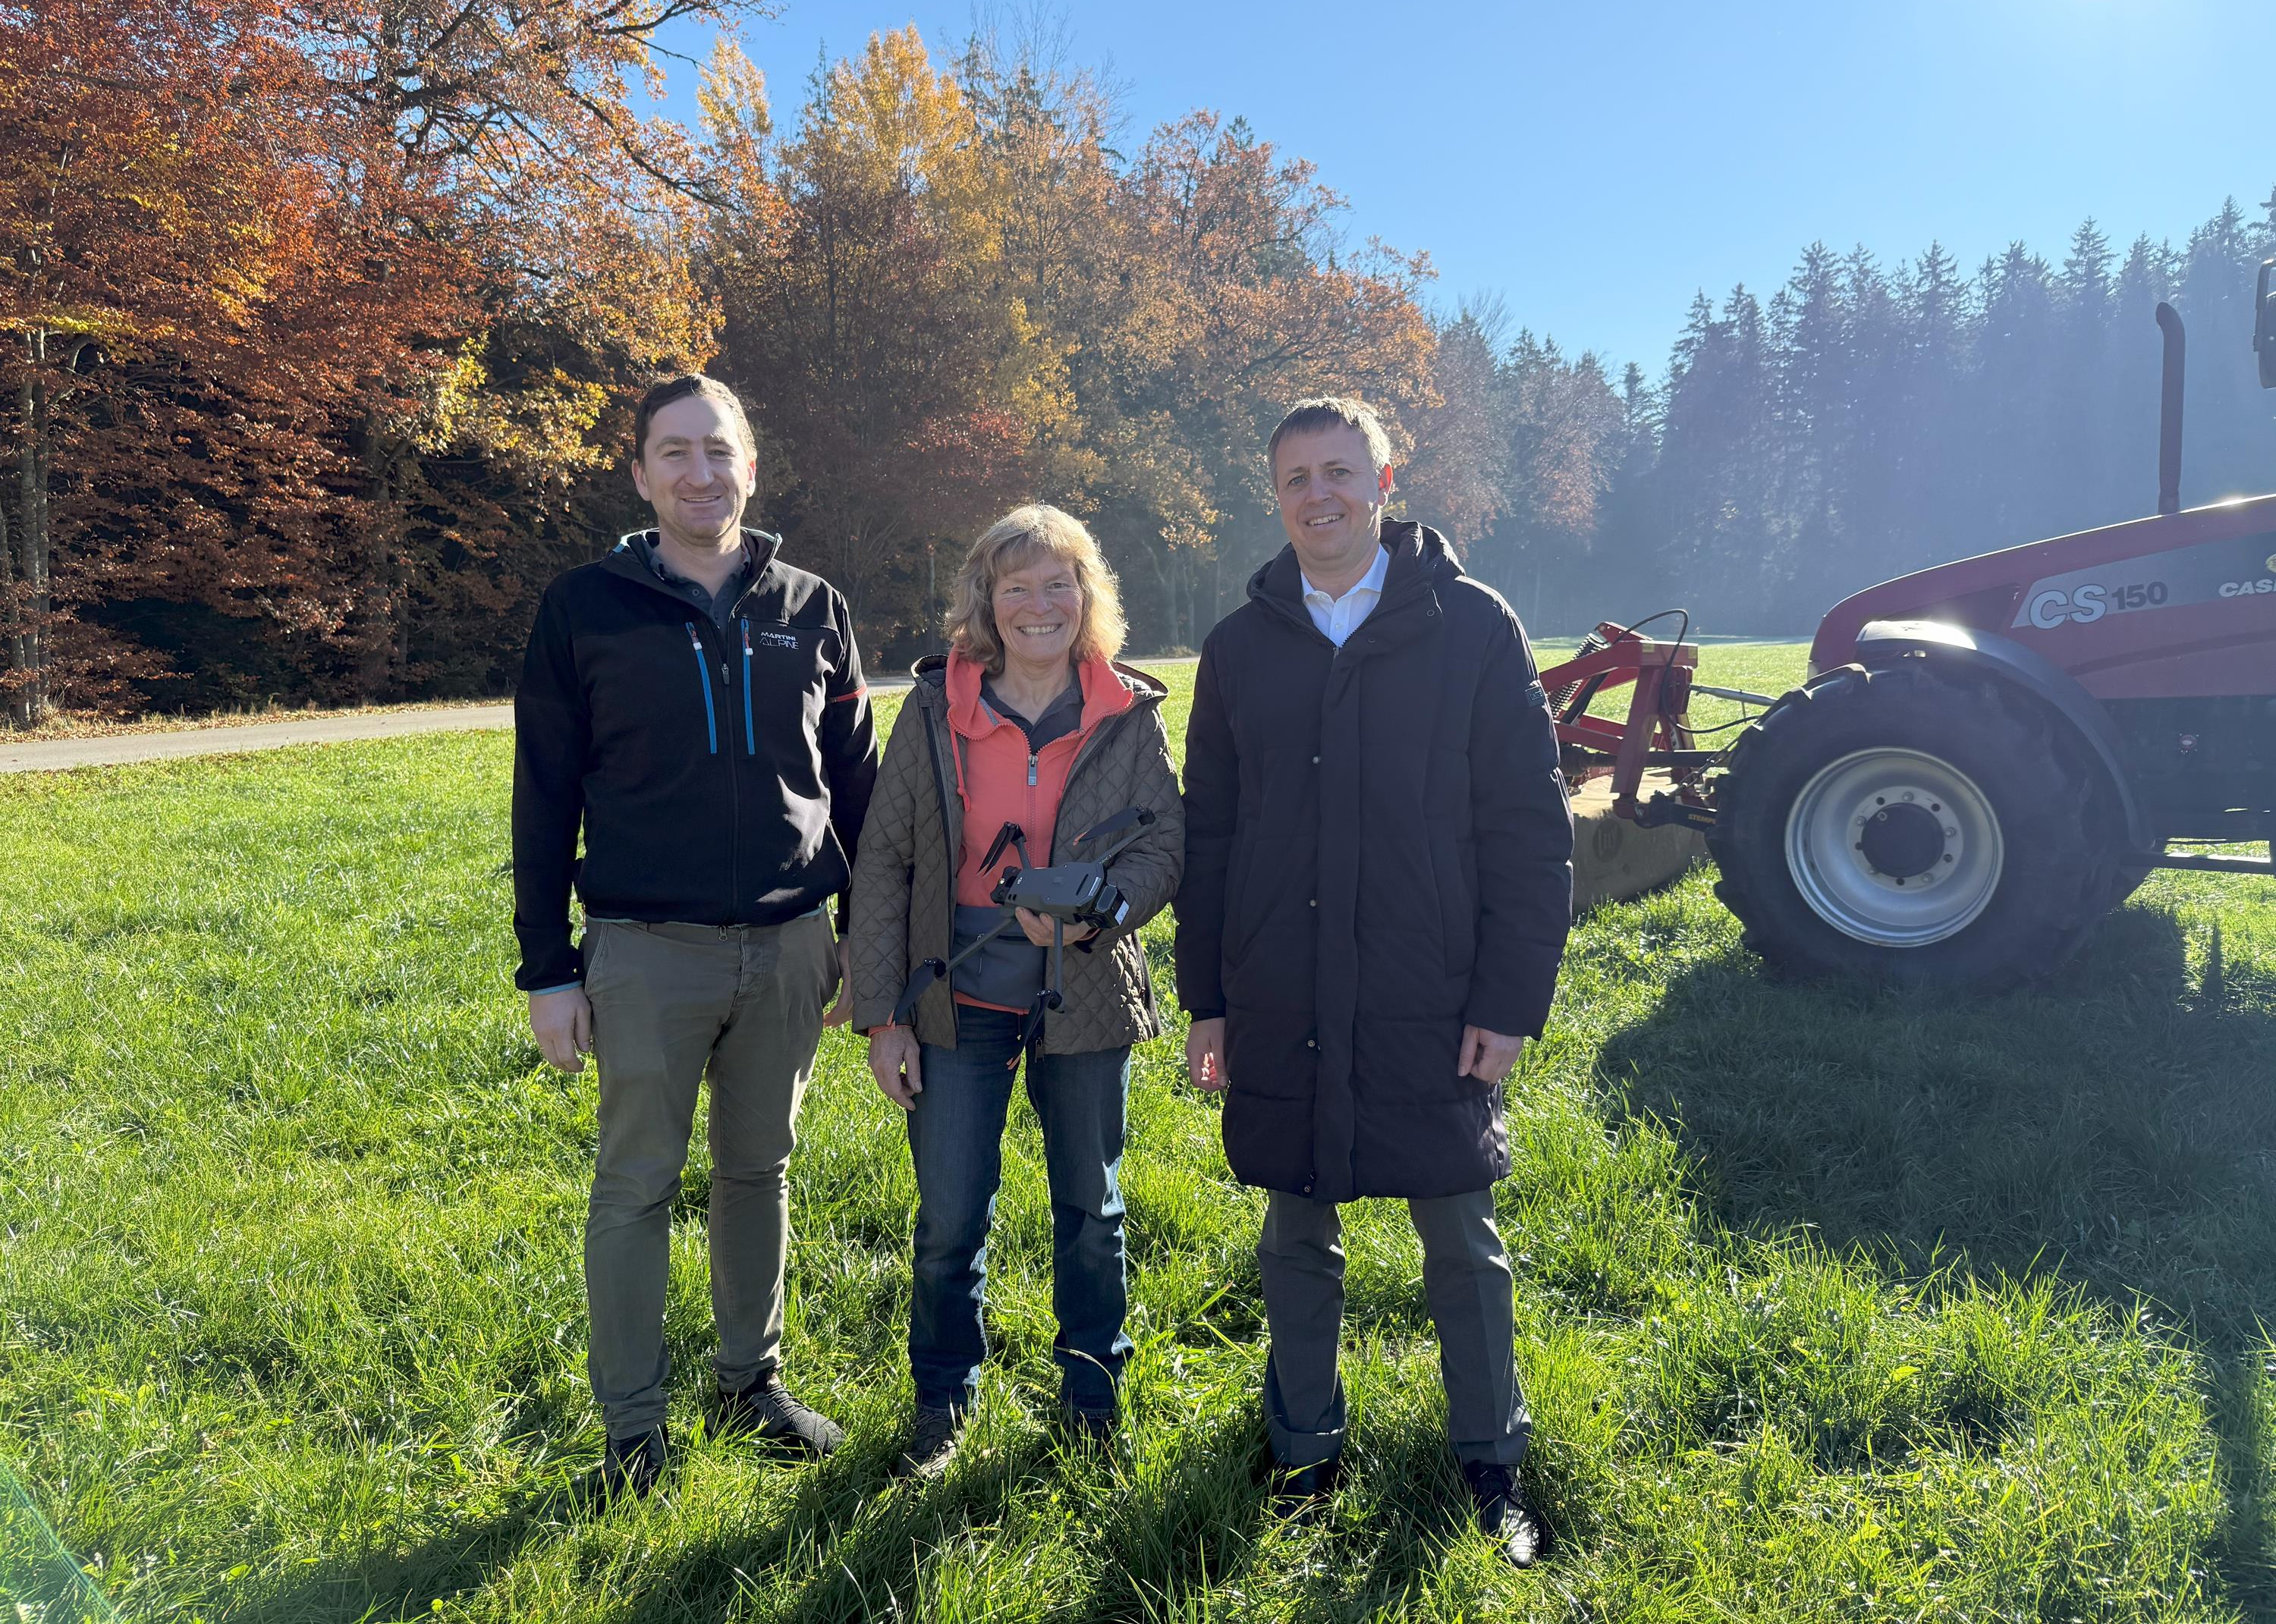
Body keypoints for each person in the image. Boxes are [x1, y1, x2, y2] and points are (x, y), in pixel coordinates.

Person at [1174, 397, 1573, 1566]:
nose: (1320, 495)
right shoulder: (1239, 648)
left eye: (1340, 471)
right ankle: (1304, 1451)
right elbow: (1212, 836)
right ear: (1277, 495)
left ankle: (1491, 1460)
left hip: (1431, 989)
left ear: (1385, 481)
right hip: (1281, 988)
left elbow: (1529, 831)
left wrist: (1507, 1002)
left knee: (1462, 1236)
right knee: (1294, 1232)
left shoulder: (1473, 627)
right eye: (1296, 476)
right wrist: (1208, 998)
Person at [511, 373, 878, 1500]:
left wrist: (866, 935)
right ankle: (633, 1429)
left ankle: (748, 1383)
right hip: (643, 948)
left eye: (718, 450)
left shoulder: (812, 606)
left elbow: (861, 785)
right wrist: (547, 969)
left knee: (758, 1170)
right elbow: (543, 794)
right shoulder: (584, 608)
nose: (699, 472)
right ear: (639, 474)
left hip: (790, 944)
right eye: (674, 452)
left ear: (750, 468)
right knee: (636, 1184)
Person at [847, 505, 1184, 1479]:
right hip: (955, 992)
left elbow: (1166, 841)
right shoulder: (934, 709)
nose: (1039, 604)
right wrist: (883, 1016)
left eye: (1058, 583)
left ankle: (1093, 1401)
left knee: (1092, 1210)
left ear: (1087, 594)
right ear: (986, 602)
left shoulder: (1128, 711)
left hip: (1088, 986)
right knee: (950, 1215)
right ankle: (943, 1402)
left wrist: (1104, 909)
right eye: (1016, 586)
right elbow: (884, 863)